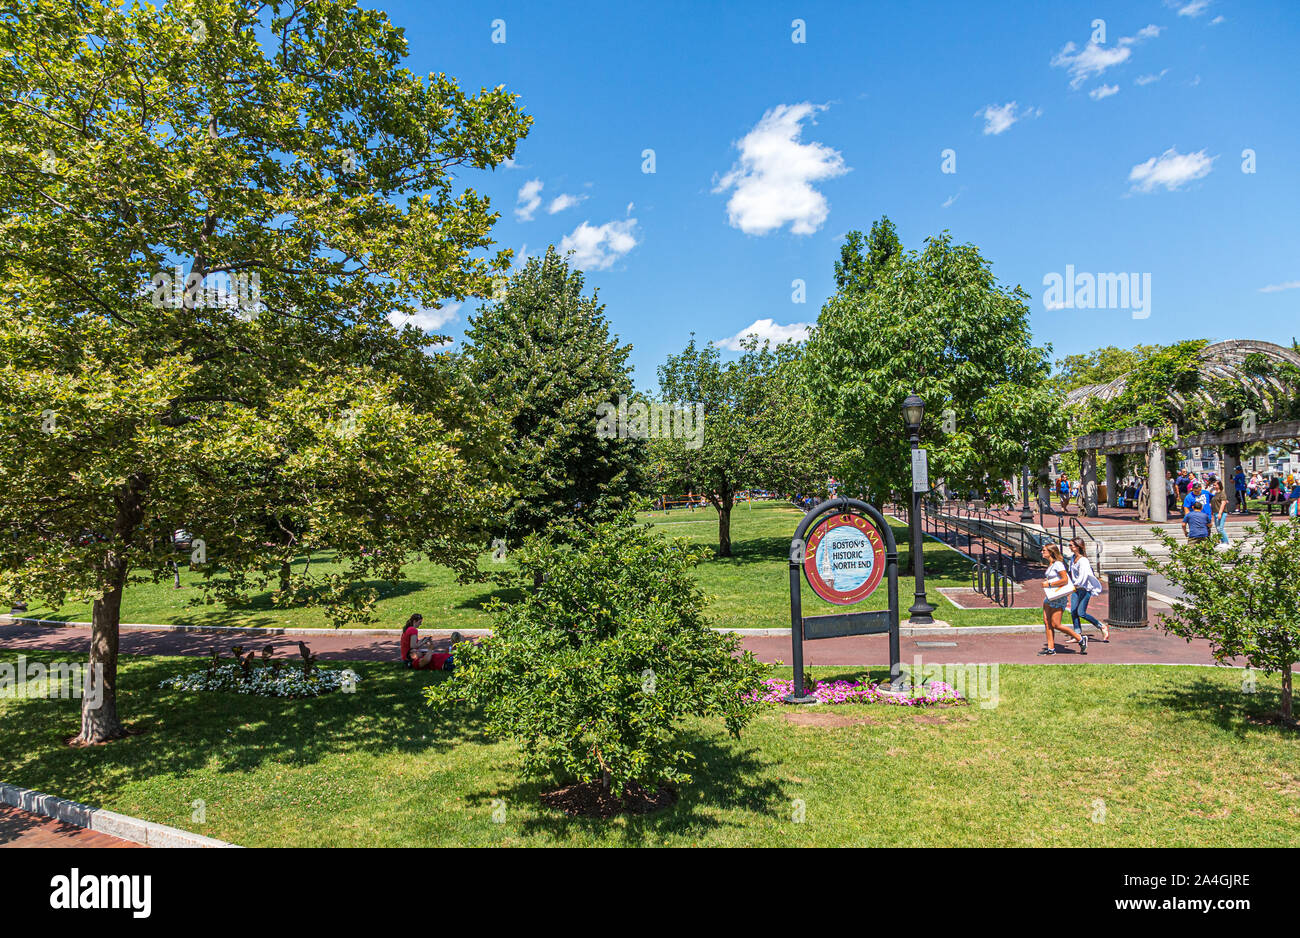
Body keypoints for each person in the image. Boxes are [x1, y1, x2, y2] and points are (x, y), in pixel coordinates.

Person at [1039, 544, 1086, 656]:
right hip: (1050, 596)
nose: (1042, 552)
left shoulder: (1058, 564)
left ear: (1051, 552)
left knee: (1056, 624)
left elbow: (1065, 580)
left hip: (1058, 597)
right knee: (1047, 622)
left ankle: (1080, 638)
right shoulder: (1051, 564)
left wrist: (1049, 584)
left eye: (1044, 550)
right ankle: (1051, 649)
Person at [1066, 538, 1108, 642]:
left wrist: (1075, 585)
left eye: (1071, 545)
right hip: (1076, 589)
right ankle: (1077, 634)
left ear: (1078, 546)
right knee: (1073, 611)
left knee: (1081, 612)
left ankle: (1101, 626)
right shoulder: (1072, 558)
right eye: (1069, 545)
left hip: (1084, 589)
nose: (1069, 547)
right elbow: (1071, 573)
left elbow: (1083, 576)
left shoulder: (1083, 560)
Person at [1210, 481, 1230, 546]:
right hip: (1215, 512)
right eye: (1213, 485)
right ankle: (1222, 541)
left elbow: (1223, 503)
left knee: (1220, 528)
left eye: (1215, 485)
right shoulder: (1215, 493)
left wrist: (1220, 513)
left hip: (1221, 512)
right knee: (1217, 528)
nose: (1214, 486)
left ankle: (1226, 542)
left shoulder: (1222, 493)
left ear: (1219, 485)